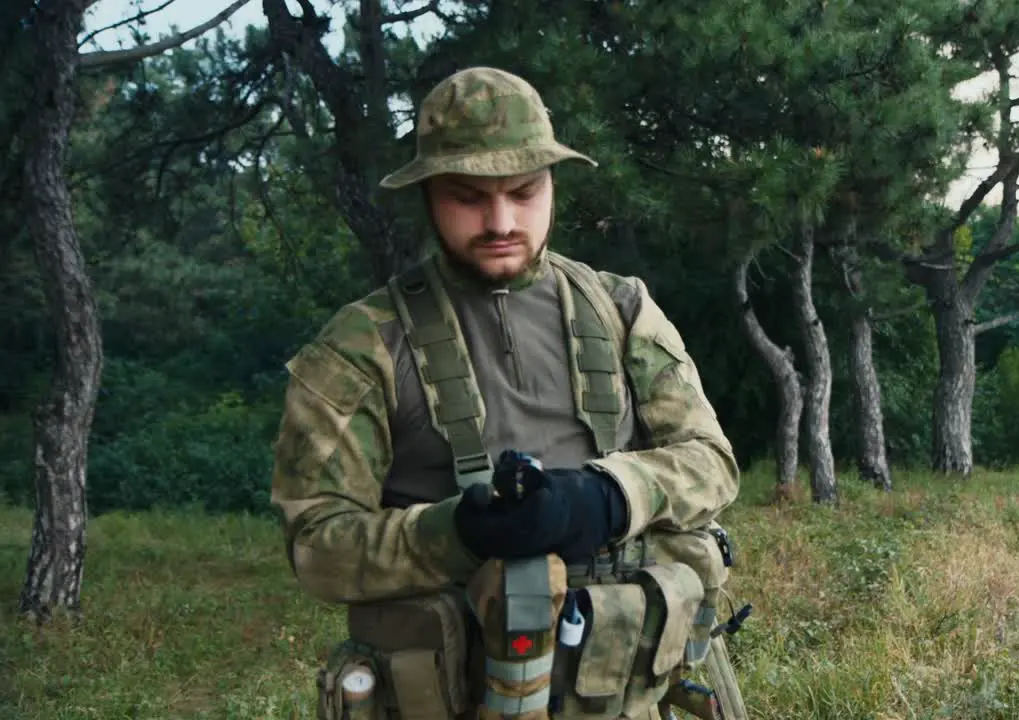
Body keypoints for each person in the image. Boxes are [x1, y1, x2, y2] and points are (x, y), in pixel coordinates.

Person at [270, 66, 742, 720]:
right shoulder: (360, 345)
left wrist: (604, 498)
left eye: (524, 192)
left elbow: (712, 462)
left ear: (553, 185)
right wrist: (455, 532)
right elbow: (317, 548)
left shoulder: (622, 308)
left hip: (619, 693)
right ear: (429, 195)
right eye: (468, 196)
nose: (500, 220)